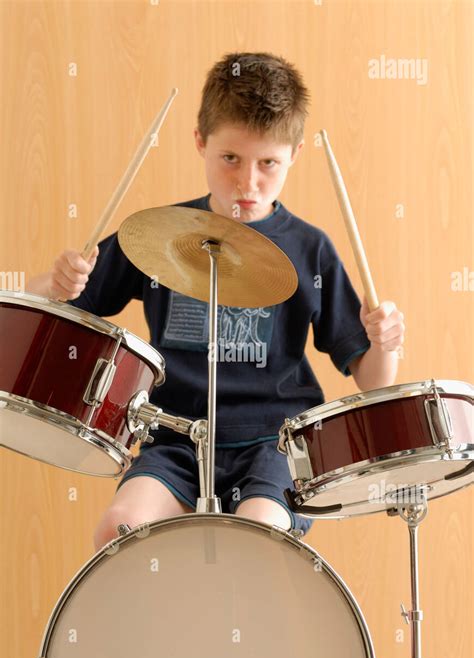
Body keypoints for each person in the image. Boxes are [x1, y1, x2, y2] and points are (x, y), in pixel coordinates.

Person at [26, 52, 405, 552]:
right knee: (118, 532)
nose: (248, 184)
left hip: (276, 442)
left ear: (294, 154)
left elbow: (372, 377)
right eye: (231, 159)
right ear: (200, 142)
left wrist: (387, 343)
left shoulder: (311, 249)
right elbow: (49, 309)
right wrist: (53, 285)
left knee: (259, 537)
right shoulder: (155, 235)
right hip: (177, 438)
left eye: (268, 163)